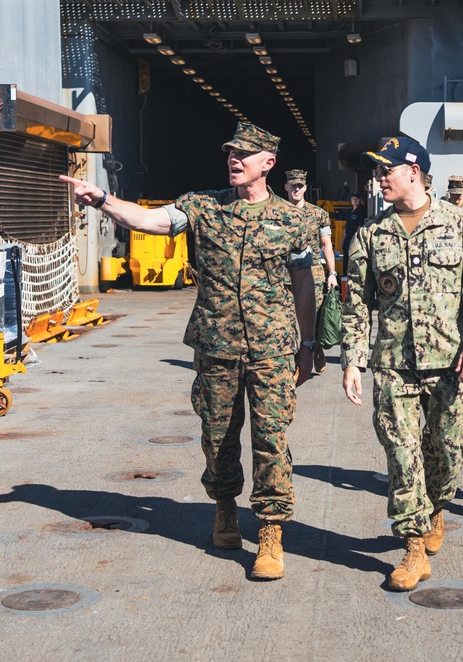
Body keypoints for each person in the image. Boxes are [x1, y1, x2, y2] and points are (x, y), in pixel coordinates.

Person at [60, 122, 316, 581]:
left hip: (272, 349)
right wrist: (102, 200)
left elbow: (303, 283)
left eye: (244, 154)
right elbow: (149, 220)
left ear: (268, 163)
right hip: (216, 345)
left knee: (271, 438)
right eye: (230, 153)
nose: (234, 160)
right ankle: (224, 509)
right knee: (217, 437)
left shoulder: (298, 220)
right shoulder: (202, 207)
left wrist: (309, 342)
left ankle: (271, 533)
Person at [342, 136, 463, 591]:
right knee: (401, 455)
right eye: (377, 170)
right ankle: (412, 547)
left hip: (451, 362)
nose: (379, 177)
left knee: (452, 450)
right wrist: (353, 361)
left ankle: (436, 507)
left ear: (414, 171)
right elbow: (356, 307)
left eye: (386, 169)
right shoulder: (371, 234)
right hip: (393, 365)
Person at [285, 169, 338, 373]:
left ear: (305, 188)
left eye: (300, 186)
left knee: (312, 318)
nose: (296, 189)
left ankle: (315, 349)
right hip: (284, 275)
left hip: (312, 274)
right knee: (286, 319)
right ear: (286, 187)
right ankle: (290, 361)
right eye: (293, 185)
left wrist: (332, 273)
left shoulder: (318, 214)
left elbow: (326, 245)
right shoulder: (277, 212)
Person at [341, 191, 367, 256]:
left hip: (354, 238)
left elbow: (360, 227)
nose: (354, 200)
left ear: (360, 199)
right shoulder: (350, 211)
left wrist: (356, 240)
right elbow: (346, 226)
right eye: (353, 198)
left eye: (356, 199)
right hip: (347, 238)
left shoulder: (361, 211)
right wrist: (343, 239)